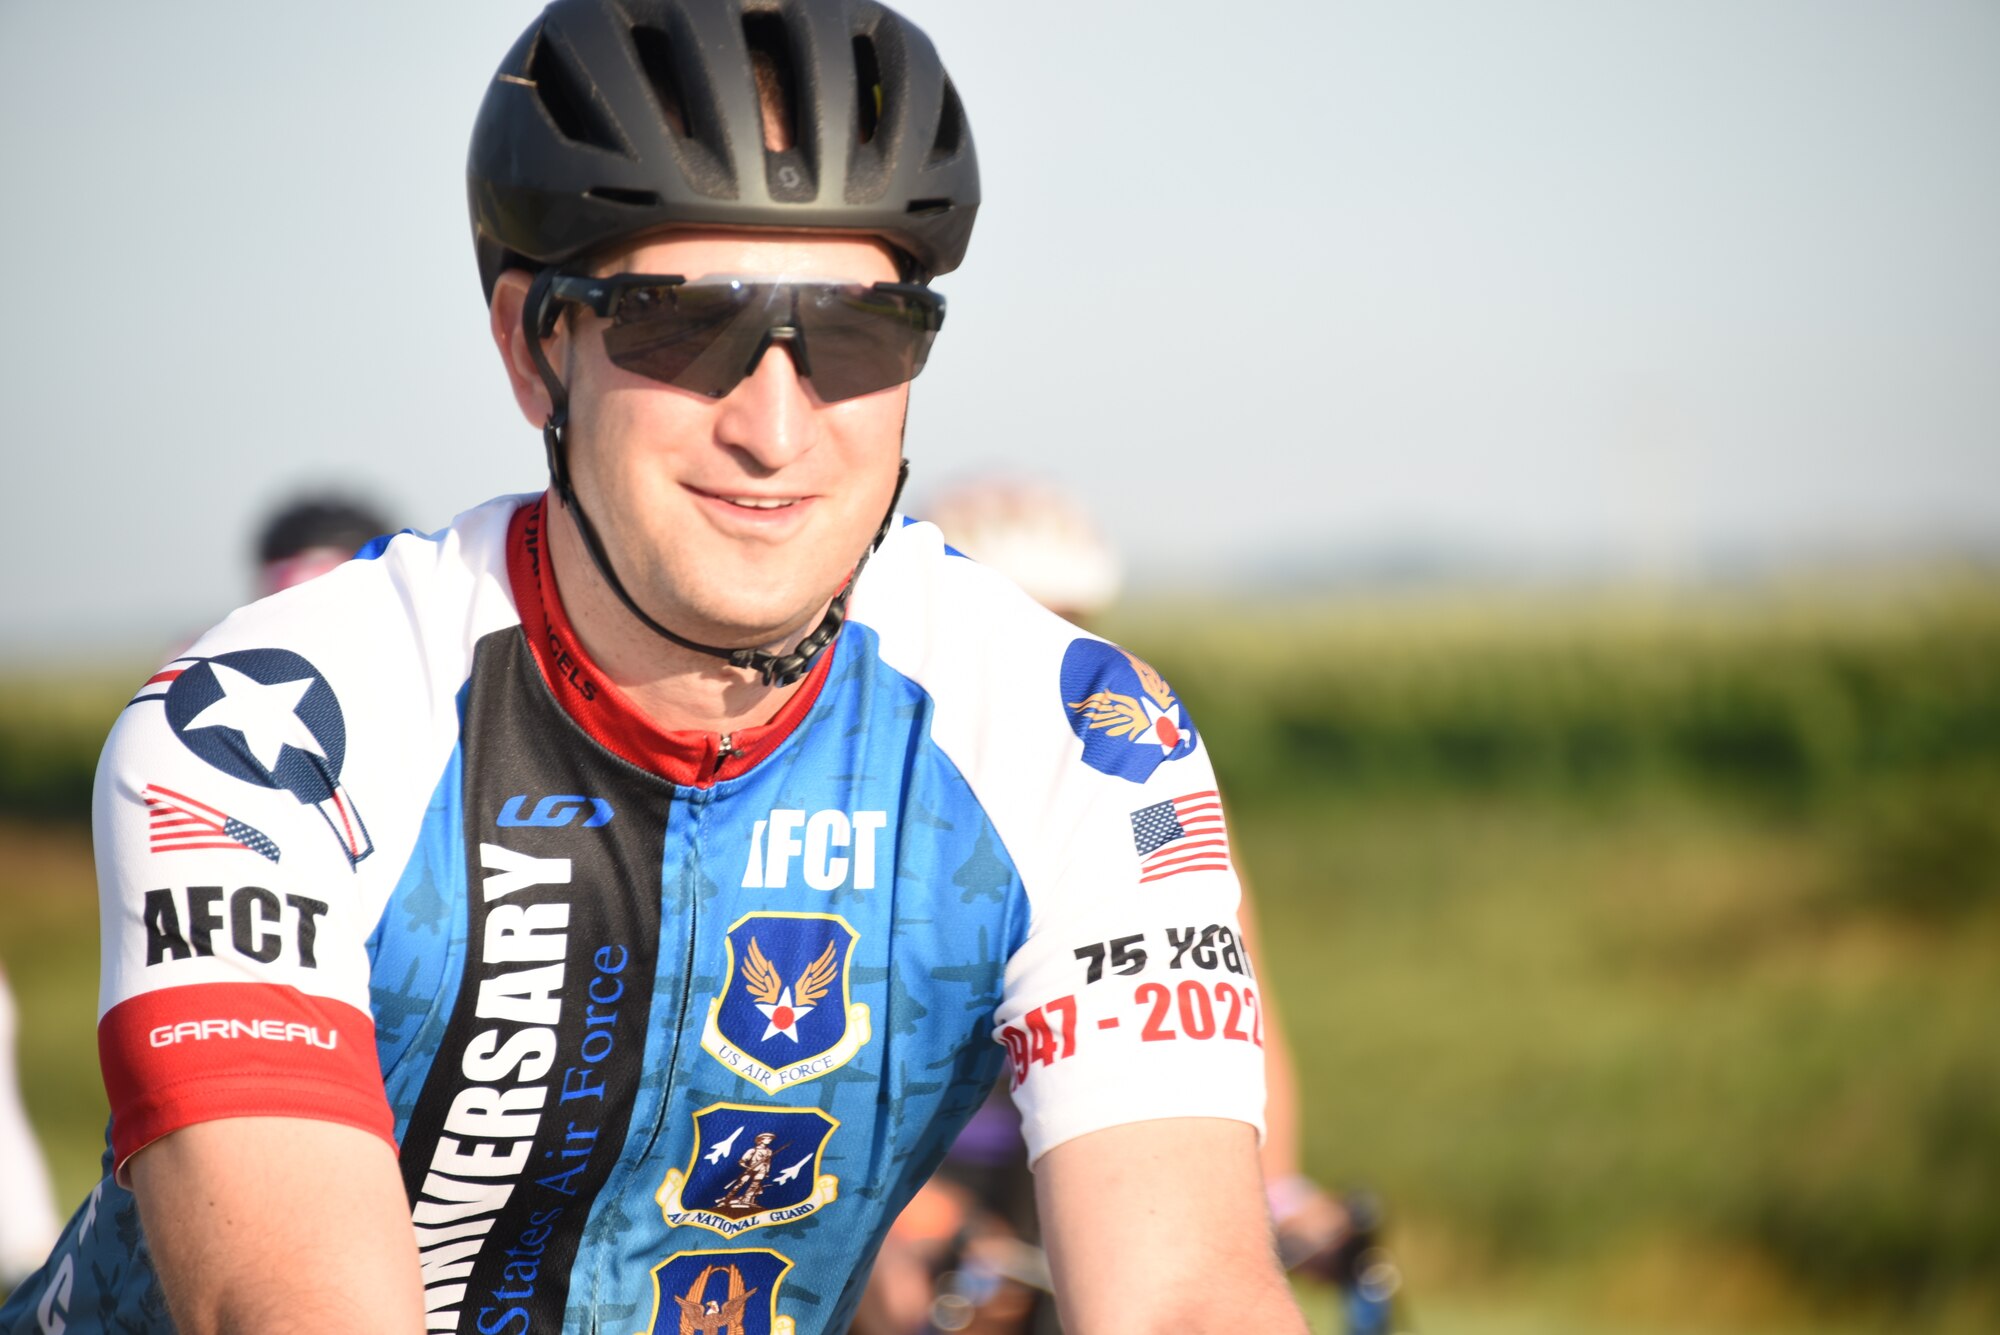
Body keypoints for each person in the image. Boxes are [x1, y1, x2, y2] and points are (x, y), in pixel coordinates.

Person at [0, 3, 1304, 1332]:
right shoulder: (279, 729)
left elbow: (1189, 1293)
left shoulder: (1068, 735)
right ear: (533, 347)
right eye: (686, 328)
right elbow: (291, 1306)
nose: (776, 425)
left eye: (856, 334)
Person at [853, 480, 1357, 1335]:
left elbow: (1219, 997)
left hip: (1076, 1136)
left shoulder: (1133, 780)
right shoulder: (876, 781)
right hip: (902, 1152)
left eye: (1066, 619)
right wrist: (901, 1213)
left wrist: (1275, 1190)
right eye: (1006, 615)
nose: (1036, 650)